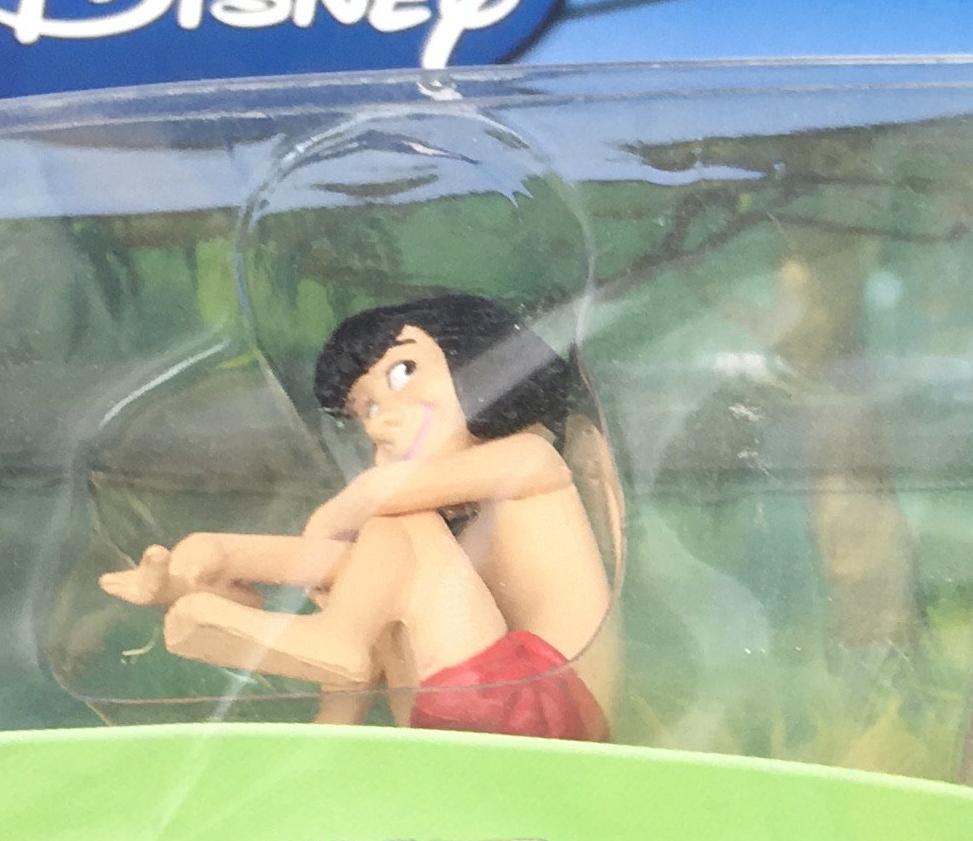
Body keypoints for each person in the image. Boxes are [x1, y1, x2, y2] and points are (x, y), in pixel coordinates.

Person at [101, 292, 620, 739]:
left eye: (403, 372)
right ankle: (336, 717)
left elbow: (379, 496)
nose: (377, 424)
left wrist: (338, 514)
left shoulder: (534, 461)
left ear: (484, 362)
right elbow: (350, 568)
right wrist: (214, 559)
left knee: (397, 519)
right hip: (460, 720)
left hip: (549, 712)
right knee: (375, 580)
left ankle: (337, 643)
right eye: (366, 409)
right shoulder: (439, 542)